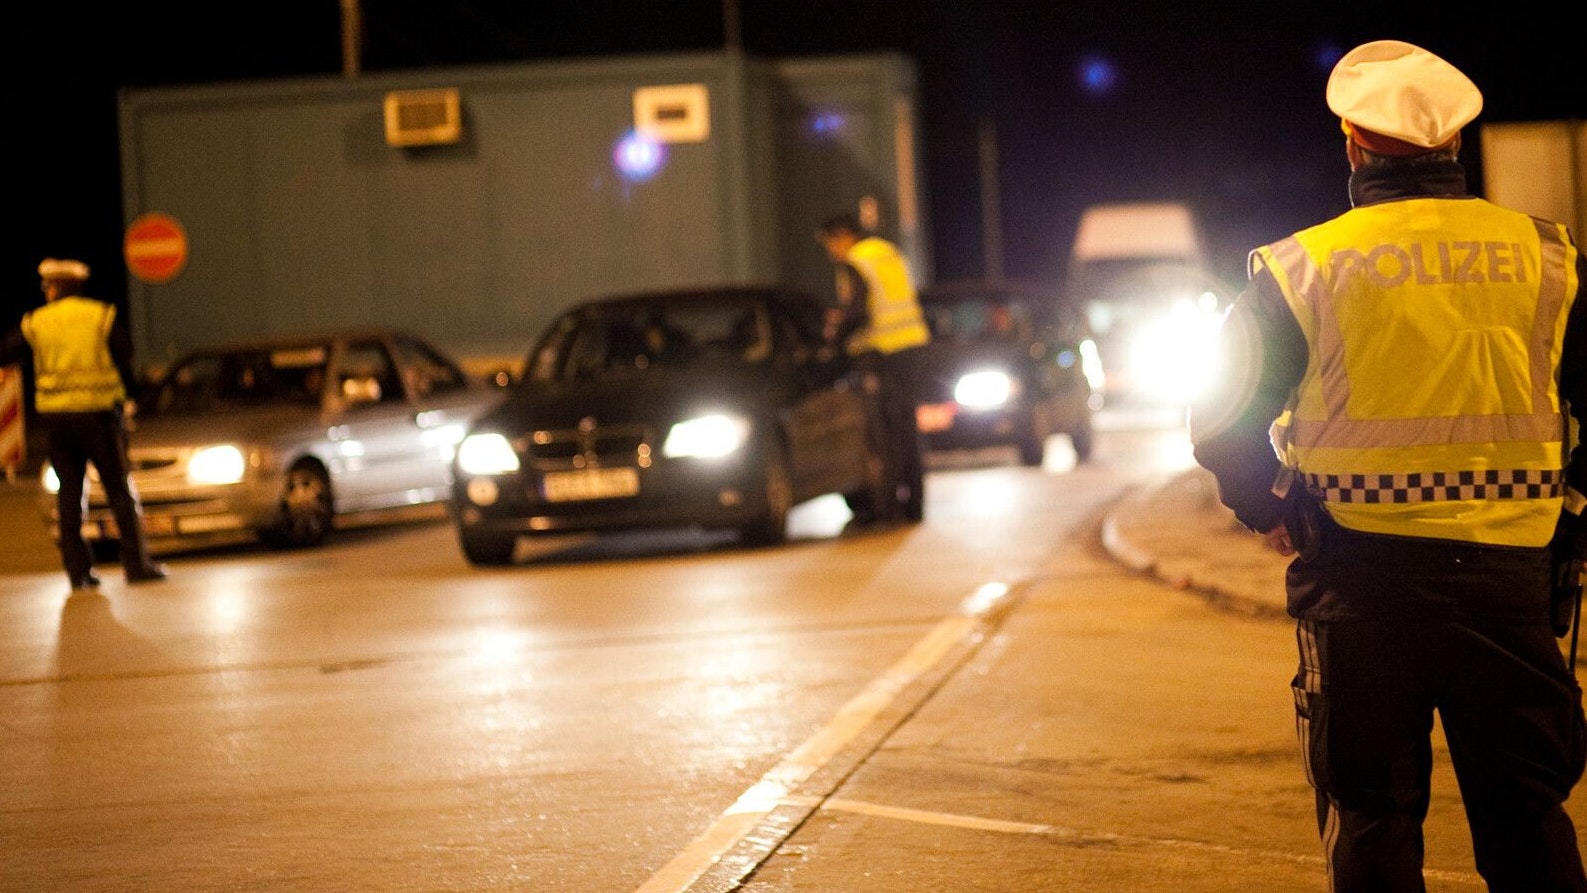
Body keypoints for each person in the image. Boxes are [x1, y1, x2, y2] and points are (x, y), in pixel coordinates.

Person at [1190, 41, 1586, 892]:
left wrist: (1270, 507)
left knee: (1372, 819)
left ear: (1352, 145)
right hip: (1511, 586)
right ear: (1454, 142)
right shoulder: (1548, 256)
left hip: (1357, 585)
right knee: (1526, 820)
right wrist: (1574, 515)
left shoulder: (1298, 268)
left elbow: (1219, 418)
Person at [0, 258, 168, 590]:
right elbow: (125, 352)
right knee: (118, 490)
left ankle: (78, 572)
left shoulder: (37, 321)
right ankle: (136, 564)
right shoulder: (100, 315)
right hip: (98, 418)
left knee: (70, 494)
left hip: (57, 422)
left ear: (53, 289)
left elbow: (7, 352)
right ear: (77, 287)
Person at [815, 212, 932, 522]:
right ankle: (914, 505)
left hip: (882, 353)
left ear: (843, 236)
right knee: (906, 429)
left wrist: (834, 339)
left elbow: (859, 312)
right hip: (911, 345)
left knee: (884, 434)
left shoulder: (857, 260)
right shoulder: (887, 251)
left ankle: (889, 507)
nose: (830, 251)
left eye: (829, 243)